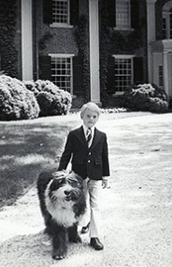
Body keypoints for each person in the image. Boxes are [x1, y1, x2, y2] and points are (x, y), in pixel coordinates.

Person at [58, 102, 110, 251]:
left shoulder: (101, 136)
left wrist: (105, 175)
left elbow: (104, 156)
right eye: (88, 116)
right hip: (78, 176)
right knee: (78, 204)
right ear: (82, 116)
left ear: (98, 118)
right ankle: (75, 229)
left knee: (95, 206)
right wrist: (61, 173)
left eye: (94, 117)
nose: (91, 119)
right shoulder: (74, 135)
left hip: (96, 175)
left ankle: (95, 237)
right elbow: (66, 154)